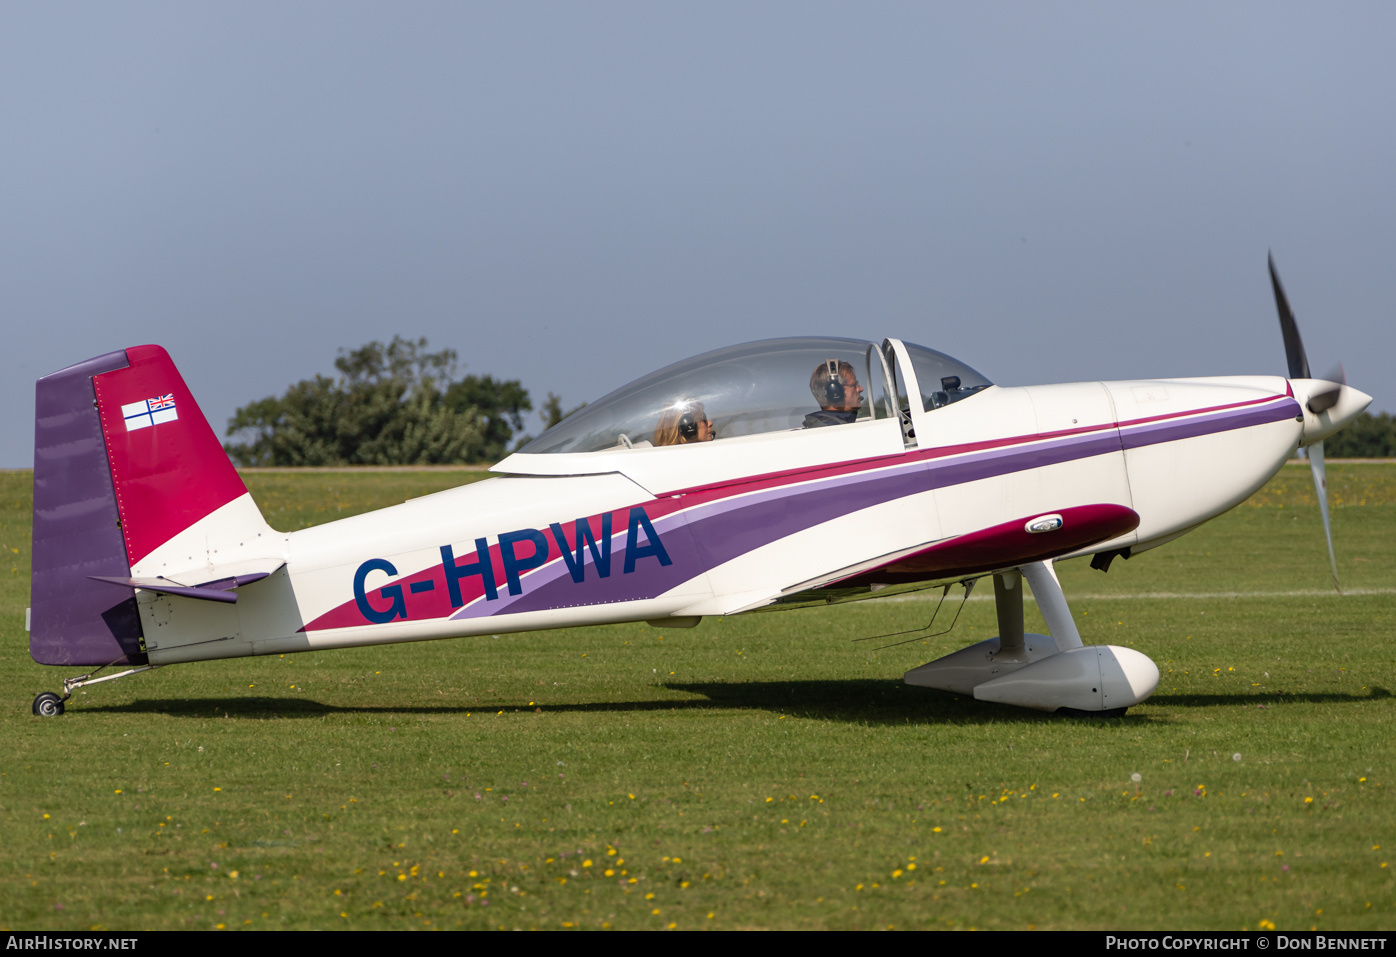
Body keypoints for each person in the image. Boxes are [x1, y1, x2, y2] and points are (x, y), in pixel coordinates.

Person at [802, 359, 864, 428]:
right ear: (835, 391)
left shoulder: (830, 427)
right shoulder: (833, 432)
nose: (861, 389)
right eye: (854, 385)